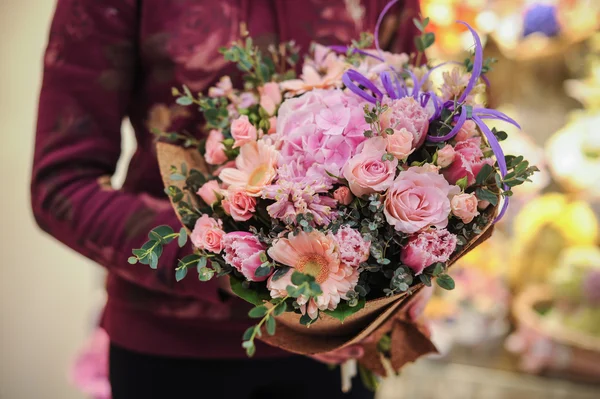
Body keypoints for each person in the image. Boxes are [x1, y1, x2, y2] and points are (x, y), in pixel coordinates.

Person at [31, 1, 421, 398]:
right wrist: (236, 259)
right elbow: (61, 187)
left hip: (340, 348)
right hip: (174, 354)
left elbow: (421, 132)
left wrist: (403, 271)